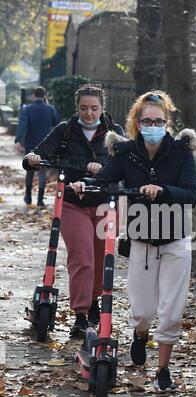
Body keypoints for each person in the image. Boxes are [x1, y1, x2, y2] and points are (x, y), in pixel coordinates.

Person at [71, 90, 196, 391]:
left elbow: (193, 194)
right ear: (137, 123)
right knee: (142, 311)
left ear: (167, 122)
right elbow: (104, 179)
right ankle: (140, 334)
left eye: (159, 120)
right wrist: (84, 184)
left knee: (171, 311)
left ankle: (163, 371)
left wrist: (164, 191)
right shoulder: (126, 152)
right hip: (141, 240)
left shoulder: (182, 153)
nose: (153, 125)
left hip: (176, 240)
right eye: (147, 120)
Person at [22, 83, 125, 337]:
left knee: (102, 260)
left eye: (94, 108)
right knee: (82, 258)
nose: (89, 113)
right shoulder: (65, 130)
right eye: (83, 108)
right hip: (72, 203)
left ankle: (93, 301)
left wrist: (102, 167)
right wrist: (32, 158)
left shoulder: (115, 131)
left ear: (102, 108)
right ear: (76, 107)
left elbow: (126, 163)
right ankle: (80, 315)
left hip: (105, 203)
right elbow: (39, 152)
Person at [15, 86, 60, 207]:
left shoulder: (28, 109)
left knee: (29, 171)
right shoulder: (50, 109)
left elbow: (22, 125)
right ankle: (40, 199)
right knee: (42, 173)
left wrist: (18, 140)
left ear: (34, 95)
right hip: (46, 146)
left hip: (31, 144)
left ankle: (28, 196)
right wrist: (49, 105)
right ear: (44, 96)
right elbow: (56, 123)